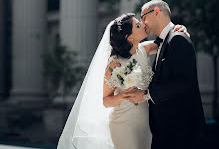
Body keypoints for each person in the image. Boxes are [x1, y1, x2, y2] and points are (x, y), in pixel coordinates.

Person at [57, 12, 188, 149]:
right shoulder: (114, 64)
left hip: (146, 123)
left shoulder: (144, 49)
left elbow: (169, 42)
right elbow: (105, 100)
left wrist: (179, 29)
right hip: (123, 124)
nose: (143, 25)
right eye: (138, 25)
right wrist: (122, 96)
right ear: (129, 37)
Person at [124, 0, 205, 149]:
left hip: (181, 132)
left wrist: (146, 95)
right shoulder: (164, 41)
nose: (143, 24)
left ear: (156, 12)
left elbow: (183, 84)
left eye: (143, 18)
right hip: (165, 131)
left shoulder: (178, 39)